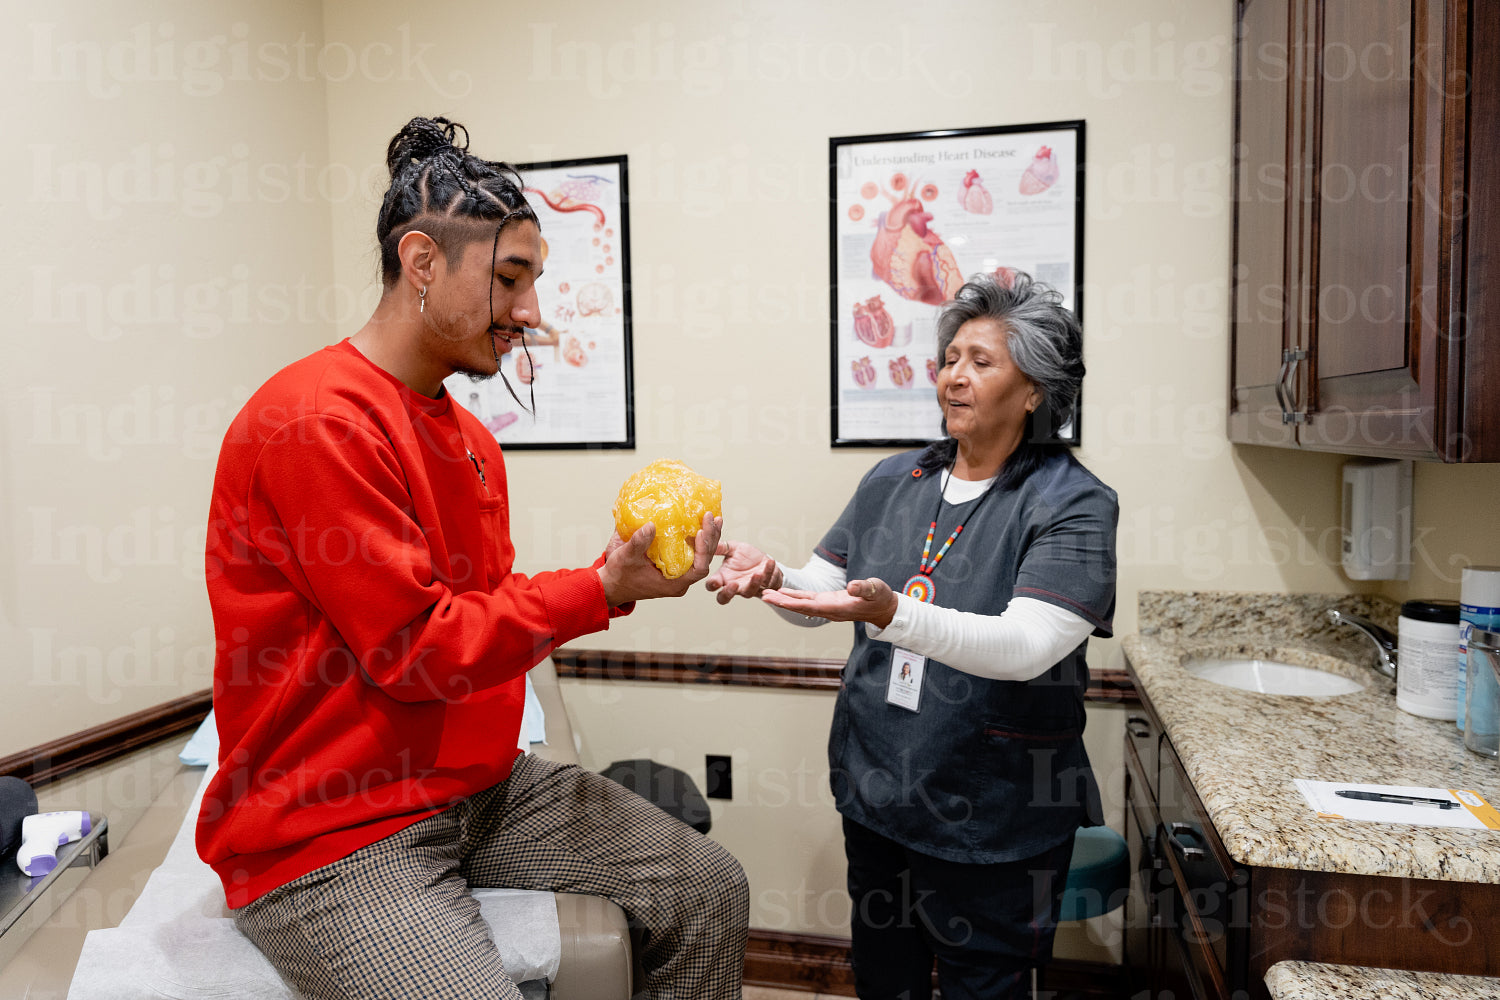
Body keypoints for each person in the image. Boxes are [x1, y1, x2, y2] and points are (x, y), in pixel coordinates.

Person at [199, 116, 747, 1000]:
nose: (532, 312)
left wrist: (615, 582)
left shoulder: (467, 437)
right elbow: (418, 648)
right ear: (422, 263)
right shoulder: (319, 423)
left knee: (708, 887)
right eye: (509, 279)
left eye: (534, 281)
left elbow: (482, 605)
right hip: (335, 830)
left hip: (474, 792)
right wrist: (596, 589)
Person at [707, 272, 1117, 1000]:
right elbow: (824, 596)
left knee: (979, 988)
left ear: (1035, 391)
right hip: (879, 794)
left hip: (996, 821)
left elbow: (1024, 647)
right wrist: (772, 578)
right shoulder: (894, 480)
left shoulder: (1074, 504)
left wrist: (894, 616)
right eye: (950, 358)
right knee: (884, 979)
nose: (955, 376)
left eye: (981, 362)